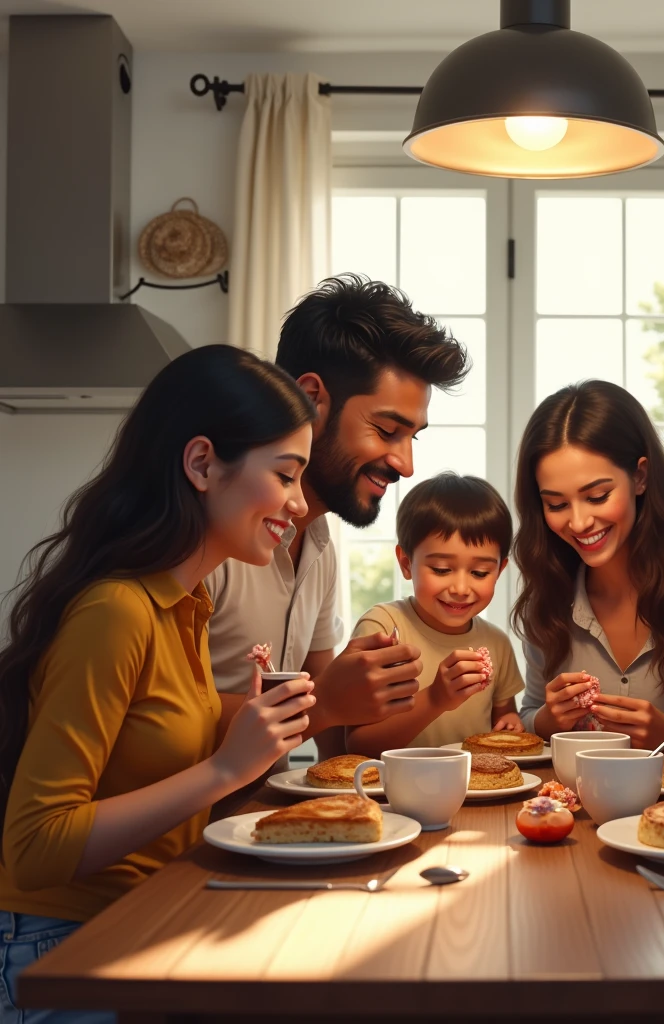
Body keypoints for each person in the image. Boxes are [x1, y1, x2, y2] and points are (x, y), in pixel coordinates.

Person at [0, 345, 320, 1021]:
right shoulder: (117, 612)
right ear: (202, 463)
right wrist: (223, 769)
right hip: (61, 950)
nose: (297, 502)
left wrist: (247, 736)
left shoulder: (188, 608)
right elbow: (34, 847)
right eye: (286, 475)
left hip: (140, 924)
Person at [205, 274, 471, 757]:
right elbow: (162, 720)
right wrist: (325, 700)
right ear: (311, 399)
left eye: (414, 437)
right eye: (388, 429)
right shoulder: (211, 536)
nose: (406, 465)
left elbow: (333, 739)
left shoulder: (320, 538)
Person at [513, 381, 664, 749]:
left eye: (597, 496)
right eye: (556, 504)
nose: (579, 522)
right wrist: (548, 720)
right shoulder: (548, 603)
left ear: (640, 477)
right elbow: (530, 713)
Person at [345, 473, 524, 755]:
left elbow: (503, 721)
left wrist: (511, 724)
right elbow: (358, 745)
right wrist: (436, 699)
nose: (461, 588)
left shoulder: (496, 643)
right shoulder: (384, 630)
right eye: (441, 569)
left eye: (479, 573)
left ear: (500, 571)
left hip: (473, 792)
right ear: (406, 563)